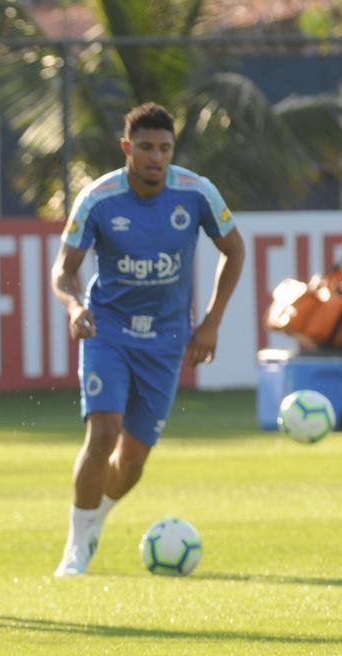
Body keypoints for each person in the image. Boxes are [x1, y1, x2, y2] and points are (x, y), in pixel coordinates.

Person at [50, 102, 245, 576]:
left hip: (166, 340)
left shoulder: (196, 192)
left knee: (133, 460)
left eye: (164, 148)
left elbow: (234, 250)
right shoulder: (98, 198)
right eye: (145, 148)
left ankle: (95, 518)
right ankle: (75, 548)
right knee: (103, 433)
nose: (156, 157)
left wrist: (212, 322)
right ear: (126, 148)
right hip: (108, 331)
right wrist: (75, 307)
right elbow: (63, 270)